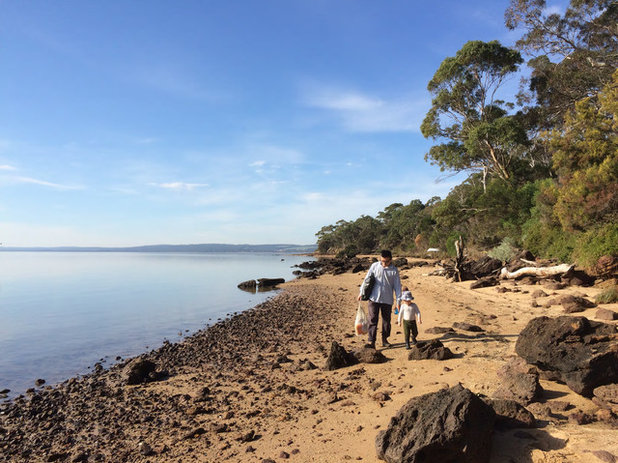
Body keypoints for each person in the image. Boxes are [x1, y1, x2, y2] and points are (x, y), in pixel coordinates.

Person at [357, 250, 402, 349]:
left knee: (386, 321)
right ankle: (371, 341)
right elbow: (366, 279)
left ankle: (385, 339)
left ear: (390, 260)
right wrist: (361, 292)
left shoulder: (394, 270)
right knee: (372, 320)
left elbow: (398, 287)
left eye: (386, 262)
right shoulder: (374, 266)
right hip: (374, 298)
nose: (384, 263)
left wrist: (399, 301)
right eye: (382, 261)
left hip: (387, 299)